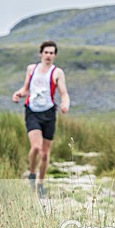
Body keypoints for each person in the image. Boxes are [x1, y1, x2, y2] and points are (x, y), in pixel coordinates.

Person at [12, 40, 70, 197]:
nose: (48, 55)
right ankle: (32, 173)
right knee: (36, 147)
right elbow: (26, 89)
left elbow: (64, 93)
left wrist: (65, 104)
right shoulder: (32, 69)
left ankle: (41, 183)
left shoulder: (57, 73)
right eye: (46, 52)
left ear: (55, 55)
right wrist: (18, 94)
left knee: (45, 153)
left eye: (52, 53)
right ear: (41, 54)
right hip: (32, 111)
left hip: (49, 113)